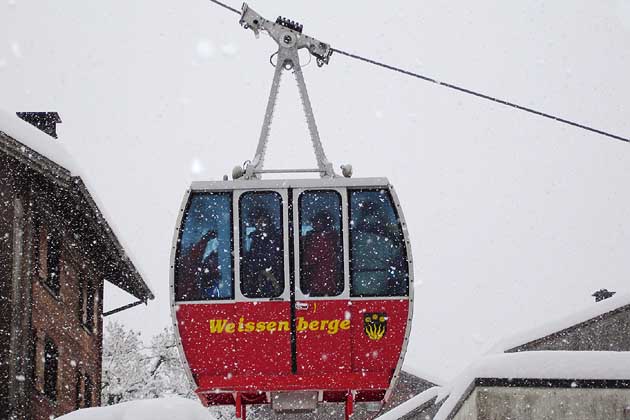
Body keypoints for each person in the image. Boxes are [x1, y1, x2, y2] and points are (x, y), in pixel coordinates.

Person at [351, 200, 402, 296]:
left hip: (355, 280)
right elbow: (396, 258)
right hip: (379, 282)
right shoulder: (385, 240)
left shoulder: (353, 238)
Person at [241, 205, 283, 297]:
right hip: (257, 281)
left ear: (268, 221)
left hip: (272, 280)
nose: (260, 224)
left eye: (263, 221)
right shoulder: (254, 238)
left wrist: (259, 269)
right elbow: (252, 257)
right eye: (256, 221)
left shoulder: (275, 238)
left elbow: (271, 259)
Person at [300, 210, 343, 296]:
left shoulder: (320, 240)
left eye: (317, 222)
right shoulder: (330, 237)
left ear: (324, 224)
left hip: (319, 284)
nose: (313, 224)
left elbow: (308, 260)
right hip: (327, 282)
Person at [178, 229, 221, 300]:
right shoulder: (188, 262)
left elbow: (196, 253)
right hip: (192, 297)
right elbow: (195, 254)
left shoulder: (188, 262)